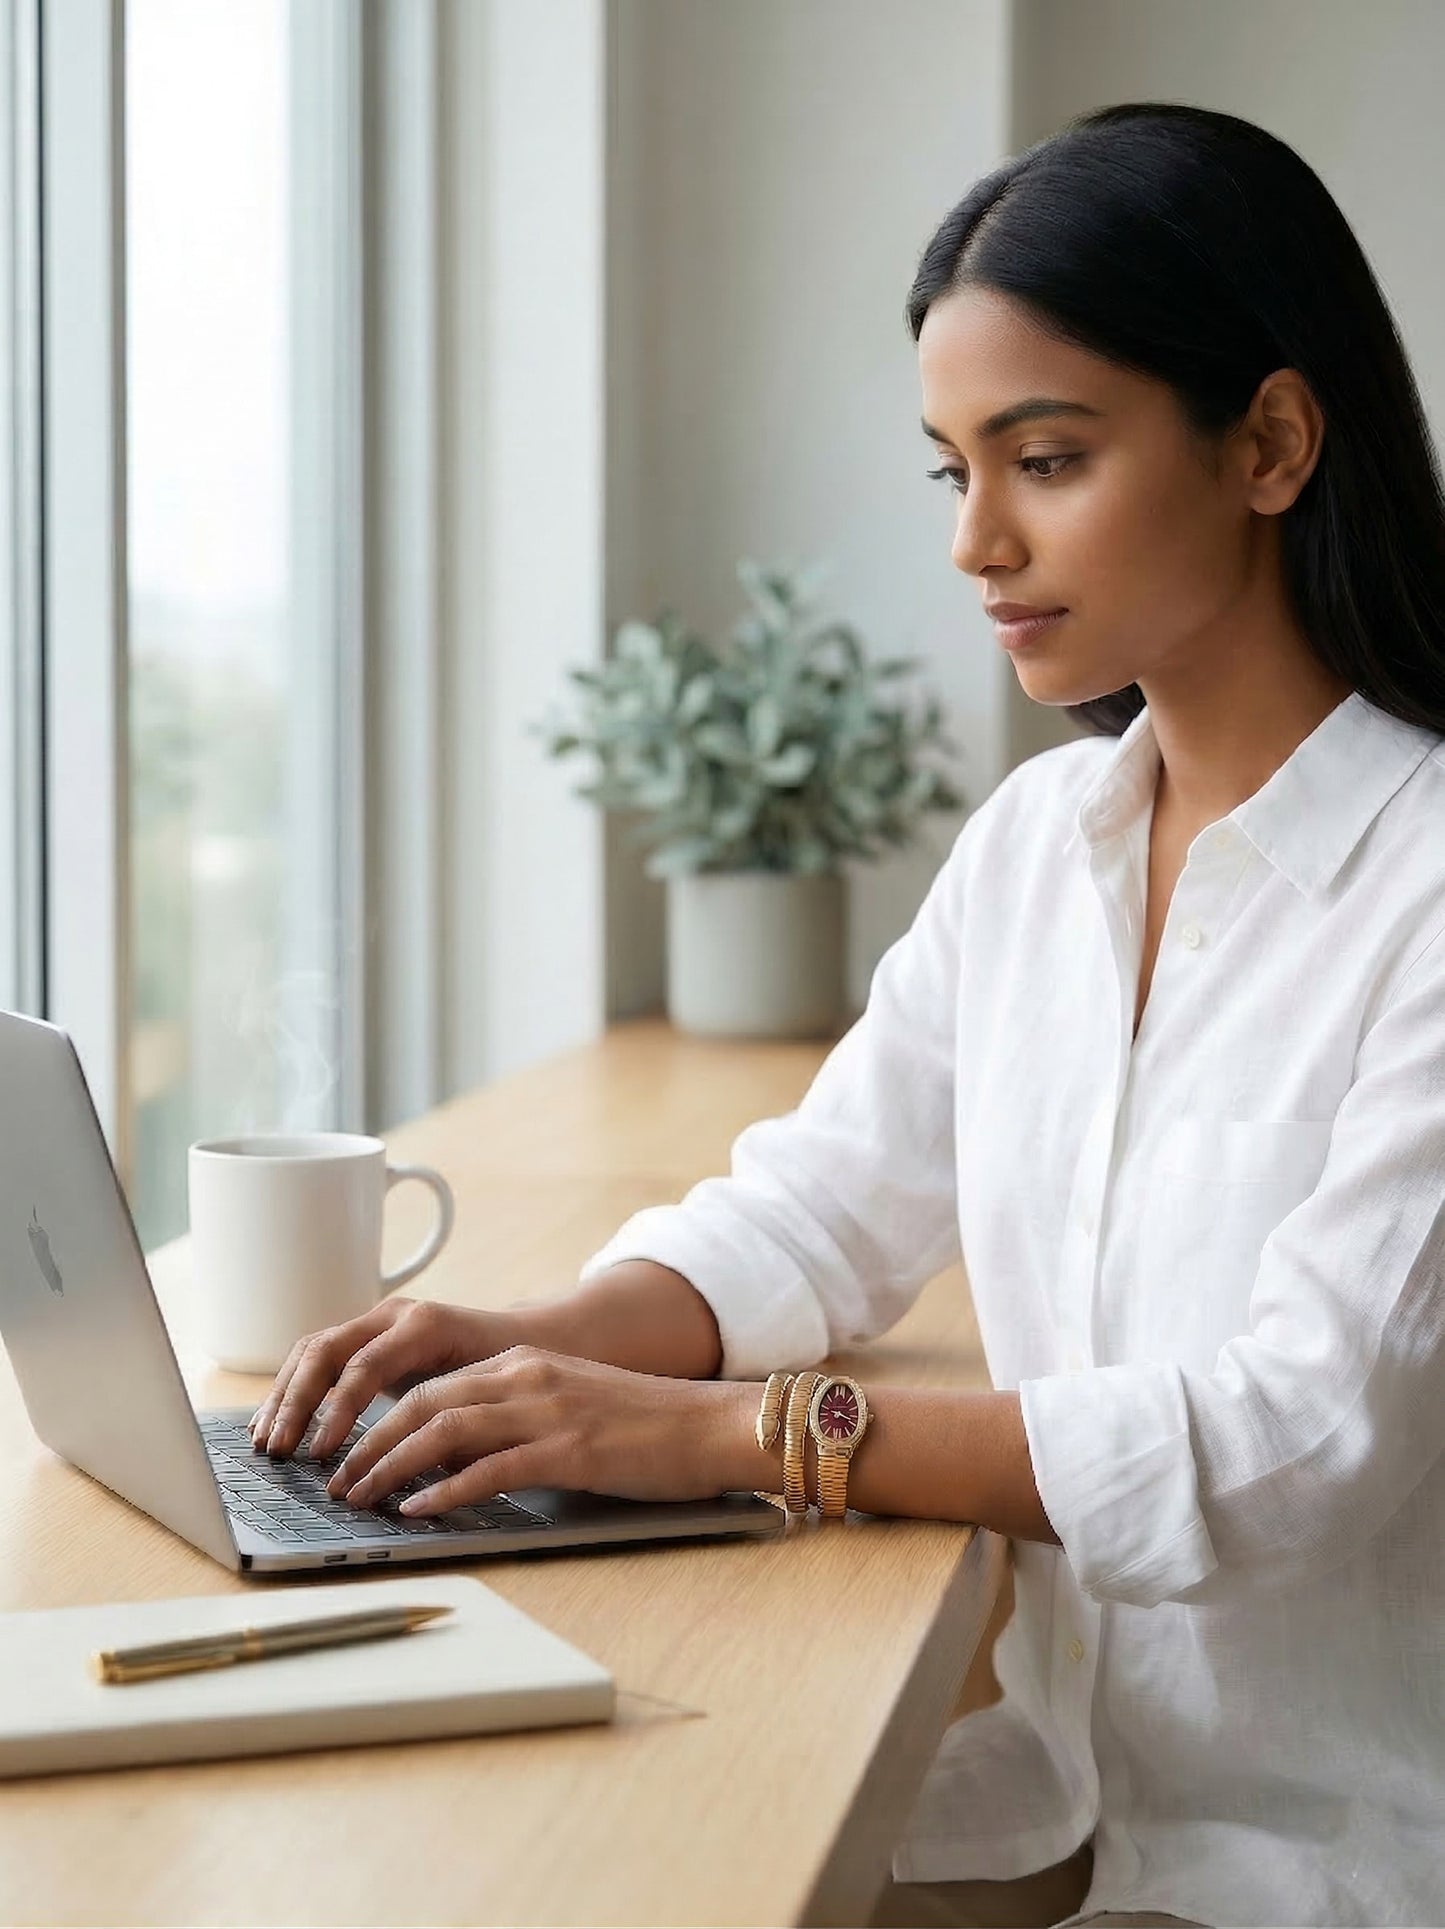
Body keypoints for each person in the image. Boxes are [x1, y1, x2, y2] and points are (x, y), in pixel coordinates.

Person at [247, 100, 1445, 1929]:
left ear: (1269, 442)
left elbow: (1289, 1440)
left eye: (1043, 457)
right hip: (1070, 1819)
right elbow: (816, 1207)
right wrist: (523, 1350)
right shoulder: (1042, 843)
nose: (976, 542)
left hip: (1336, 1869)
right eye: (947, 469)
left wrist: (738, 1436)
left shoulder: (1424, 879)